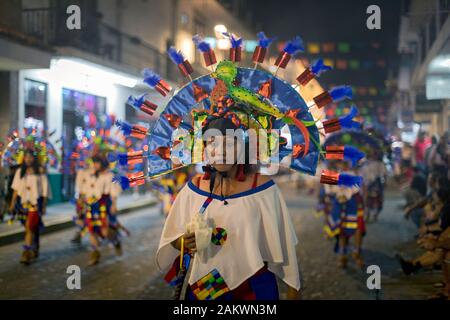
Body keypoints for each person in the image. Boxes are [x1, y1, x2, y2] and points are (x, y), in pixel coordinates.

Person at [157, 118, 301, 300]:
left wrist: (293, 291)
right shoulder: (194, 188)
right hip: (207, 285)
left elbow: (284, 243)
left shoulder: (263, 188)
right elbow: (173, 236)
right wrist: (183, 242)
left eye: (230, 143)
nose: (221, 151)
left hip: (254, 286)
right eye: (212, 142)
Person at [9, 150, 49, 265]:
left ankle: (26, 253)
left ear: (34, 158)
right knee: (30, 228)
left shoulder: (40, 171)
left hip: (35, 205)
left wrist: (44, 205)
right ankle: (34, 247)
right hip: (22, 205)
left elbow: (44, 190)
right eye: (26, 157)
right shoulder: (19, 172)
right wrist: (12, 204)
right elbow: (16, 189)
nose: (28, 159)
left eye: (30, 157)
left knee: (29, 227)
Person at [84, 155, 122, 265]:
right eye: (93, 162)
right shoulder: (91, 175)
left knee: (105, 231)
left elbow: (113, 192)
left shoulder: (109, 175)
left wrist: (114, 205)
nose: (95, 165)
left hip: (104, 205)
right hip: (91, 206)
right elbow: (86, 190)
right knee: (91, 230)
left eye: (97, 162)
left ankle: (115, 240)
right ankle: (95, 254)